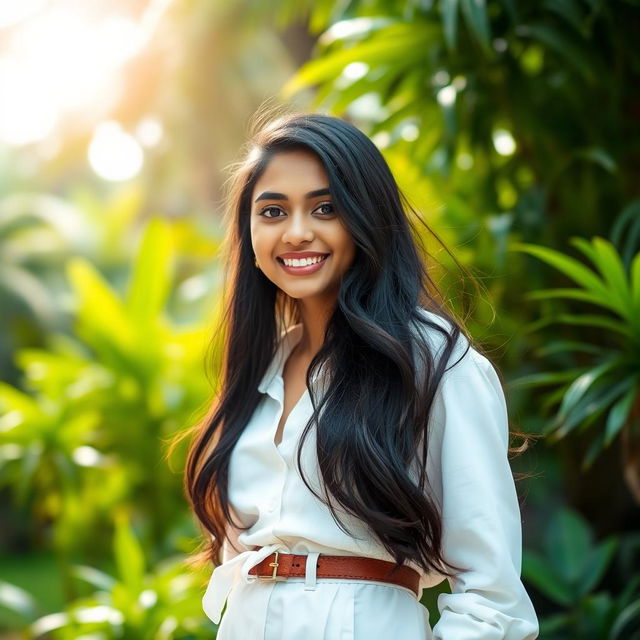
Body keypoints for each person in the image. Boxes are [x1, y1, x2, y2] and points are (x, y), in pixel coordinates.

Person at [183, 111, 539, 639]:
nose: (297, 232)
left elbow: (492, 598)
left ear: (366, 218)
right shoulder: (258, 372)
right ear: (249, 232)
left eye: (325, 208)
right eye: (273, 211)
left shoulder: (433, 361)